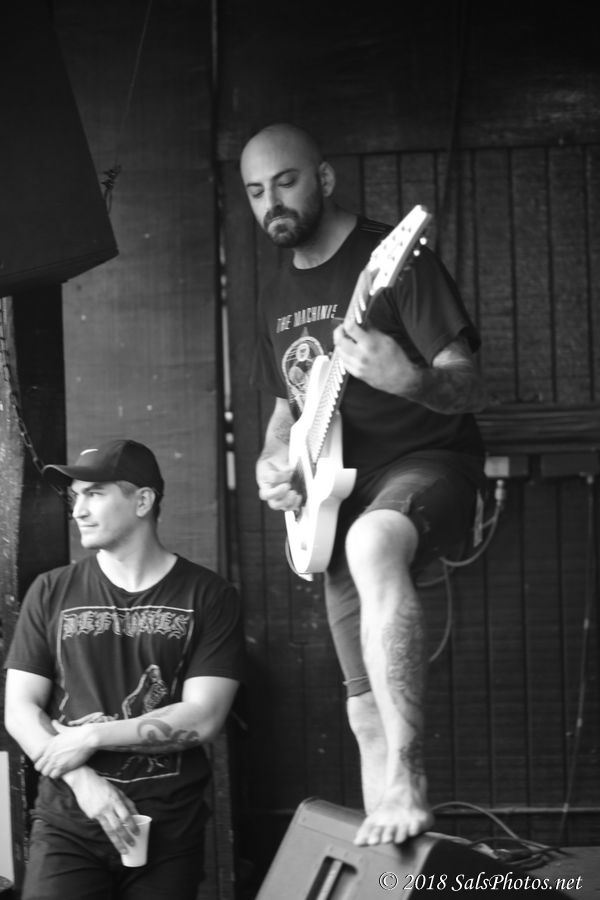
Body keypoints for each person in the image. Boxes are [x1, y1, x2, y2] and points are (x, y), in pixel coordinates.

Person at [240, 123, 488, 847]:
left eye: (285, 182)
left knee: (375, 541)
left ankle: (410, 779)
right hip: (334, 498)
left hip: (428, 463)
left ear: (323, 179)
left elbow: (470, 385)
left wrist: (408, 378)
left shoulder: (393, 262)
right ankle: (393, 864)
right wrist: (273, 463)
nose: (271, 202)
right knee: (361, 711)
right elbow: (286, 411)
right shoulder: (271, 295)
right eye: (255, 191)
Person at [4, 438, 245, 900]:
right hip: (68, 822)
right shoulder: (50, 590)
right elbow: (19, 709)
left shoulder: (209, 596)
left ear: (142, 501)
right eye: (75, 497)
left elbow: (204, 717)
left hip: (168, 824)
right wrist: (83, 781)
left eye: (94, 494)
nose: (78, 510)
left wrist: (91, 736)